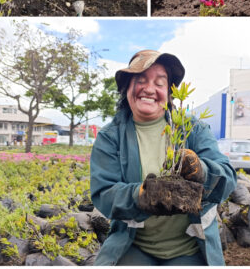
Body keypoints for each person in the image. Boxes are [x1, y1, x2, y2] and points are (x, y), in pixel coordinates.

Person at [90, 50, 236, 266]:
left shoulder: (192, 129)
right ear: (127, 88)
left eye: (159, 83)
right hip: (133, 244)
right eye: (140, 81)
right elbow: (103, 193)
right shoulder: (111, 137)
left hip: (190, 247)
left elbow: (228, 179)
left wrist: (201, 171)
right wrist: (140, 195)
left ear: (169, 93)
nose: (149, 89)